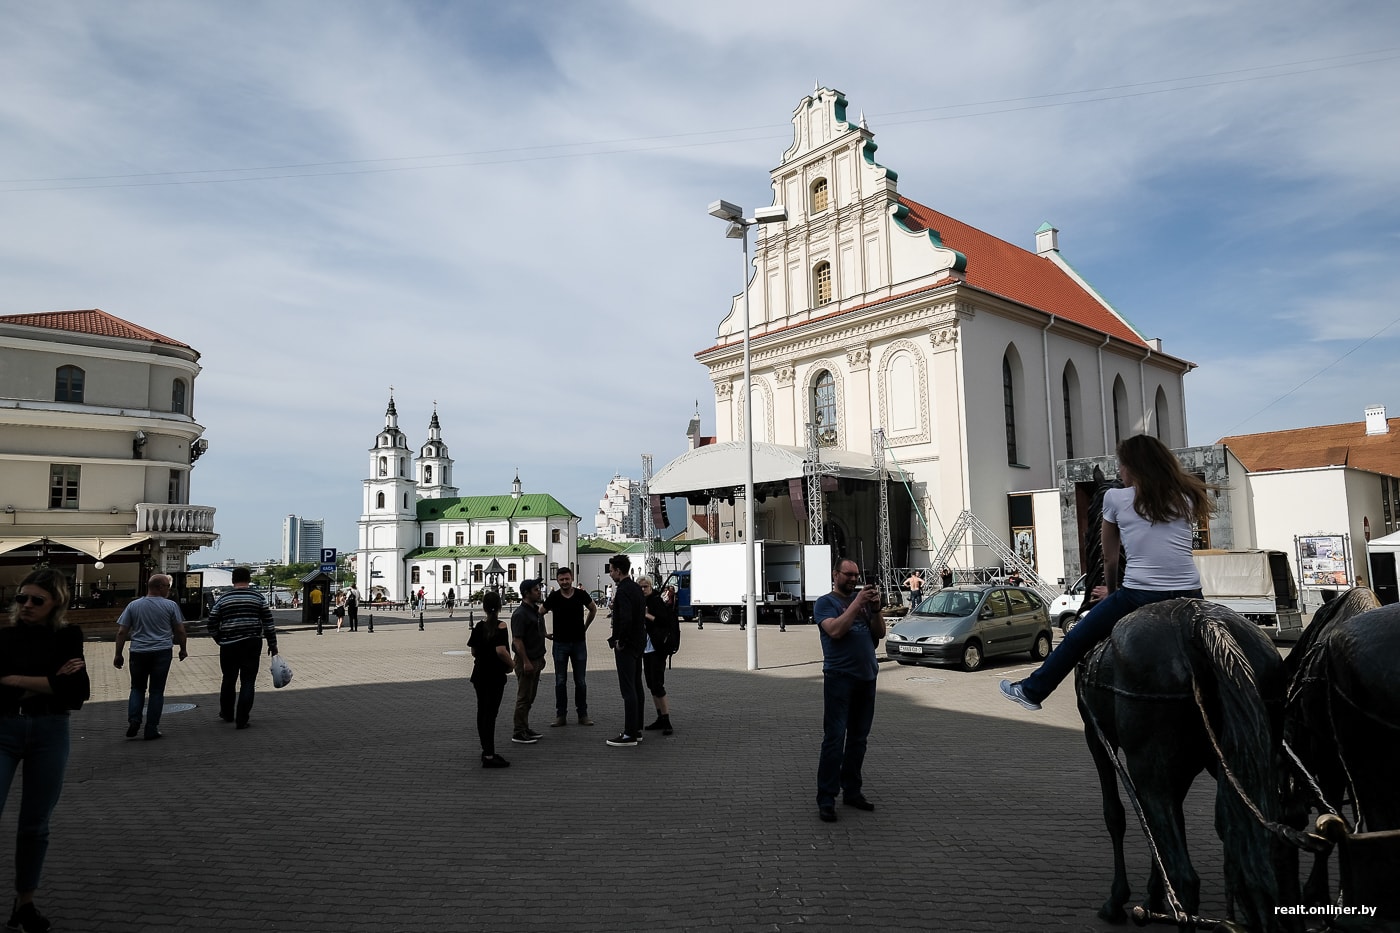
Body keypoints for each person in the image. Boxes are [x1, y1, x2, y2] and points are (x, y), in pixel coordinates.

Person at [1000, 434, 1210, 712]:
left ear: (1133, 467)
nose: (1119, 472)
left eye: (1121, 465)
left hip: (1139, 595)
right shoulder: (1187, 497)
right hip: (1190, 594)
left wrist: (1112, 592)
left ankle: (1031, 691)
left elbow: (1109, 559)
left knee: (1076, 638)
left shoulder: (1115, 498)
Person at [0, 568, 90, 933]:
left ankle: (25, 904)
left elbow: (77, 692)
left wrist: (13, 680)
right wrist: (51, 682)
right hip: (3, 729)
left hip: (51, 731)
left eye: (37, 600)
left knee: (35, 825)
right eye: (22, 598)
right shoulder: (3, 638)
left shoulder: (69, 635)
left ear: (56, 603)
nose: (26, 605)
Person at [815, 558, 886, 822]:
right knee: (834, 739)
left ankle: (852, 791)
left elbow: (878, 636)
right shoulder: (825, 603)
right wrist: (857, 604)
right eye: (848, 575)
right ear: (836, 575)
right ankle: (826, 798)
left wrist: (876, 609)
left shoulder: (865, 604)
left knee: (858, 739)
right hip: (839, 678)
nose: (854, 580)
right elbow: (834, 631)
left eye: (857, 575)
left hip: (866, 679)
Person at [112, 574, 188, 740]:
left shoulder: (133, 605)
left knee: (137, 688)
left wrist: (118, 654)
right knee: (156, 691)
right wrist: (183, 649)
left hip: (138, 652)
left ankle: (134, 719)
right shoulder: (170, 606)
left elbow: (122, 631)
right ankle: (151, 728)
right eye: (167, 586)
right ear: (159, 587)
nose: (169, 590)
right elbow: (180, 631)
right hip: (162, 651)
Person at [207, 567, 278, 730]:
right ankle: (242, 718)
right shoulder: (258, 598)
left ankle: (226, 713)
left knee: (228, 679)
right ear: (248, 579)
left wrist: (219, 638)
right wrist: (272, 644)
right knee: (248, 681)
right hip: (252, 643)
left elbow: (211, 622)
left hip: (228, 645)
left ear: (233, 580)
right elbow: (268, 623)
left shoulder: (223, 599)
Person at [543, 567, 596, 727]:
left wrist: (585, 627)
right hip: (560, 643)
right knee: (560, 681)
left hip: (579, 643)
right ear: (557, 581)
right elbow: (540, 612)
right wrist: (544, 632)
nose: (564, 582)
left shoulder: (581, 595)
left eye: (567, 579)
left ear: (572, 578)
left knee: (580, 681)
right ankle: (561, 715)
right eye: (561, 580)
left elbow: (593, 608)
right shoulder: (554, 597)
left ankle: (583, 714)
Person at [604, 555, 646, 747]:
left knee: (628, 688)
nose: (610, 573)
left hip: (627, 646)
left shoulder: (623, 590)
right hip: (638, 643)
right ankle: (637, 729)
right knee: (637, 685)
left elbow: (627, 618)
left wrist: (620, 640)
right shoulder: (637, 588)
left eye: (611, 570)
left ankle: (629, 733)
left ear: (618, 571)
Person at [469, 591, 512, 768]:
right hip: (495, 675)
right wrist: (512, 665)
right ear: (500, 606)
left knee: (482, 712)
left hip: (479, 674)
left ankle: (486, 750)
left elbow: (473, 651)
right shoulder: (501, 626)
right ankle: (489, 755)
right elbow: (501, 650)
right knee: (491, 714)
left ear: (484, 607)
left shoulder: (479, 627)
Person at [510, 579, 547, 745]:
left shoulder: (534, 610)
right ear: (526, 593)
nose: (539, 591)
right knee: (524, 697)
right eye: (535, 589)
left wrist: (541, 655)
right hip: (526, 661)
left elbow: (538, 633)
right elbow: (517, 641)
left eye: (538, 588)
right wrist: (525, 661)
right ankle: (518, 731)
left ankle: (525, 727)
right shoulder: (520, 614)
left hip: (536, 659)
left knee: (530, 696)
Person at [640, 576, 678, 736]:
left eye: (645, 587)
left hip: (657, 648)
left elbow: (664, 621)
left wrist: (647, 615)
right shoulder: (643, 601)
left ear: (650, 586)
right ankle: (660, 717)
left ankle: (667, 720)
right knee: (651, 684)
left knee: (657, 684)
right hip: (646, 649)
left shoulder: (655, 601)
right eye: (640, 587)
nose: (643, 590)